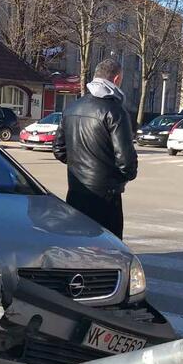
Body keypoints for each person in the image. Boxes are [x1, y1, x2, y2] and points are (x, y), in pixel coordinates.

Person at [52, 58, 137, 238]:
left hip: (76, 190)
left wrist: (79, 166)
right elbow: (126, 161)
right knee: (108, 245)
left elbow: (59, 149)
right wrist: (116, 178)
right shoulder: (115, 111)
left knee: (77, 242)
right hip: (105, 196)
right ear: (116, 79)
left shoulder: (72, 107)